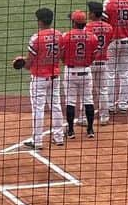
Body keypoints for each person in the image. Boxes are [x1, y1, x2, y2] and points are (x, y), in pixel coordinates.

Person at [19, 9, 63, 149]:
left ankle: (37, 141)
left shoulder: (36, 38)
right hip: (55, 76)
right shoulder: (59, 35)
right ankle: (59, 137)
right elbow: (61, 55)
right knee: (55, 105)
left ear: (40, 21)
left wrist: (20, 62)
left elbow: (29, 63)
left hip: (39, 78)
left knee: (38, 108)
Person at [59, 11, 98, 138]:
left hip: (71, 71)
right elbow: (94, 55)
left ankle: (70, 131)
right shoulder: (92, 37)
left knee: (70, 101)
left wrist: (67, 62)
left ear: (74, 22)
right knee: (88, 100)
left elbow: (61, 55)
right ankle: (90, 130)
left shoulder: (66, 36)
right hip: (86, 71)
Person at [84, 0, 113, 123]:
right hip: (103, 62)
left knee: (87, 91)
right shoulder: (109, 27)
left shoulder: (87, 27)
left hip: (90, 63)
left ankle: (84, 118)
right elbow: (109, 41)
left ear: (92, 14)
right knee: (103, 90)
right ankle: (104, 117)